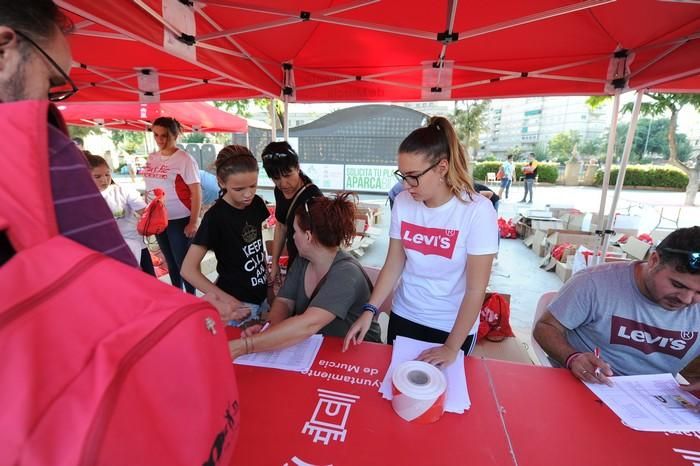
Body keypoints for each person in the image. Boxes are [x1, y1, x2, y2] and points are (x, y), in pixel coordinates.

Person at [343, 116, 498, 367]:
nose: (406, 185)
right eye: (402, 175)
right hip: (405, 314)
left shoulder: (476, 211)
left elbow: (475, 290)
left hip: (452, 326)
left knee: (441, 397)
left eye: (413, 176)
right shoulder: (404, 202)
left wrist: (450, 347)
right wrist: (370, 310)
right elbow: (393, 264)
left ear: (442, 167)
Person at [0, 1, 135, 268]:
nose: (51, 102)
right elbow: (114, 271)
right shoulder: (43, 150)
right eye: (51, 83)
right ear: (3, 49)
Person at [533, 226, 700, 387]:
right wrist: (573, 357)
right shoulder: (594, 283)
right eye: (678, 285)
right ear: (654, 260)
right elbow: (546, 327)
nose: (686, 299)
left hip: (656, 400)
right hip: (587, 385)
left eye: (699, 293)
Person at [229, 193, 382, 359]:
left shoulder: (346, 274)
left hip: (356, 355)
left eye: (295, 231)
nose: (292, 237)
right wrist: (268, 330)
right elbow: (284, 302)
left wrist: (246, 346)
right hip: (319, 350)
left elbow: (309, 324)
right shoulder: (303, 260)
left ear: (308, 236)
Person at [181, 145, 270, 326]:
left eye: (253, 186)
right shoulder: (215, 217)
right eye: (238, 189)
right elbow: (188, 270)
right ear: (221, 182)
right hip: (238, 305)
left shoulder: (257, 203)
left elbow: (256, 246)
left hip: (263, 296)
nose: (248, 194)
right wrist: (227, 300)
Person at [142, 116, 202, 294]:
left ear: (175, 135)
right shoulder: (151, 157)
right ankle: (177, 295)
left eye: (165, 136)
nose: (160, 140)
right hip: (159, 218)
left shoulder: (185, 159)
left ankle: (190, 297)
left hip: (180, 218)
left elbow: (196, 191)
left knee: (183, 262)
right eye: (156, 135)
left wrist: (194, 220)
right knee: (169, 260)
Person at [261, 141, 322, 285]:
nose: (283, 183)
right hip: (293, 262)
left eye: (288, 175)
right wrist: (274, 262)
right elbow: (281, 225)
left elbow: (322, 243)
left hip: (311, 266)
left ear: (298, 168)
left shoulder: (313, 197)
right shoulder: (279, 191)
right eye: (276, 178)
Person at [86, 154, 155, 276]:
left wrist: (155, 211)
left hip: (137, 246)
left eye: (107, 174)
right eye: (97, 176)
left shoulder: (123, 190)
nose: (104, 180)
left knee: (151, 285)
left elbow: (145, 213)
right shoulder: (83, 199)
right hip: (107, 251)